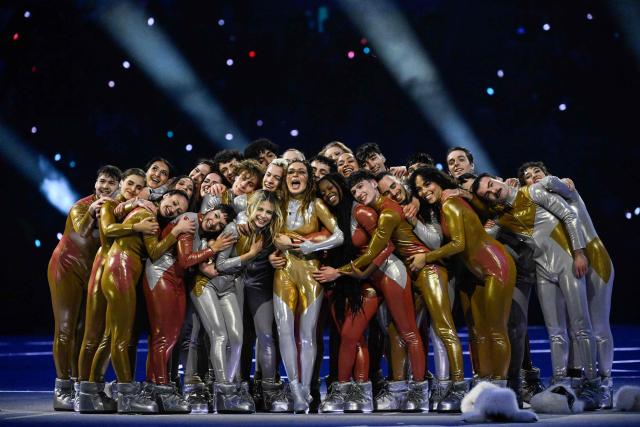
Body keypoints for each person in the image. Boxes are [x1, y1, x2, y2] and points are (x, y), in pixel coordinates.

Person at [328, 170, 465, 412]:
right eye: (354, 192)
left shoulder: (388, 212)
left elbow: (374, 251)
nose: (359, 194)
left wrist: (340, 272)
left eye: (362, 187)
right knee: (399, 332)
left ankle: (438, 388)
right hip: (408, 271)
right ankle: (404, 390)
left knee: (419, 332)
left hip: (418, 270)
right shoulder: (383, 208)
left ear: (373, 184)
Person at [473, 174, 603, 410]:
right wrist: (485, 224)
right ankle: (561, 383)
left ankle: (593, 383)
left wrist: (579, 252)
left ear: (498, 179)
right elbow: (480, 241)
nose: (492, 193)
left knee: (580, 325)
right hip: (543, 271)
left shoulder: (531, 193)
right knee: (555, 332)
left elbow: (569, 215)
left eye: (491, 185)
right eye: (486, 195)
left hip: (568, 262)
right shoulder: (501, 219)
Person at [519, 161, 615, 408]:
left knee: (598, 326)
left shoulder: (561, 186)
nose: (532, 178)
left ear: (547, 173)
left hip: (593, 258)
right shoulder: (539, 200)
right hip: (569, 259)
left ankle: (604, 385)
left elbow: (560, 187)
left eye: (536, 173)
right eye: (527, 177)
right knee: (574, 325)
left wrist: (559, 180)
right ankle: (573, 379)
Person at [408, 168, 516, 386]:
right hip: (478, 272)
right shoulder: (444, 204)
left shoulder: (450, 204)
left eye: (427, 185)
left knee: (496, 330)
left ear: (438, 181)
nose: (424, 192)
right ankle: (484, 383)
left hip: (496, 265)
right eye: (419, 189)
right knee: (480, 330)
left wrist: (425, 258)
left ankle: (500, 385)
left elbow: (459, 244)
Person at [100, 189, 194, 413]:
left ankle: (90, 390)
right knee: (121, 337)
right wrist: (177, 230)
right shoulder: (148, 216)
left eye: (179, 210)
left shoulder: (147, 211)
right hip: (121, 269)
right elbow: (154, 252)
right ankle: (126, 397)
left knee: (114, 335)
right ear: (163, 198)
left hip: (124, 270)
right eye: (172, 203)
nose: (174, 210)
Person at [76, 168, 156, 413]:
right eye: (129, 183)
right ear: (121, 183)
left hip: (116, 266)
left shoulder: (134, 205)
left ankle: (90, 393)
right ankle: (125, 396)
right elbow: (108, 231)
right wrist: (138, 227)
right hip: (114, 267)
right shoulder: (109, 205)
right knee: (107, 335)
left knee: (109, 336)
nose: (132, 189)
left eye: (138, 186)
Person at [314, 173, 393, 413]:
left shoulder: (361, 212)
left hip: (364, 285)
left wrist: (356, 273)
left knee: (349, 336)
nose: (329, 194)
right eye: (324, 192)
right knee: (355, 339)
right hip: (337, 288)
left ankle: (345, 388)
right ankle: (359, 394)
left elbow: (387, 246)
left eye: (331, 188)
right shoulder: (331, 218)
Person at [272, 160, 344, 413]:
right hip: (283, 270)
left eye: (301, 172)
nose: (295, 176)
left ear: (308, 179)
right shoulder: (277, 205)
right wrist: (274, 248)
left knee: (307, 333)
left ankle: (304, 386)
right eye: (291, 172)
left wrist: (312, 246)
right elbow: (266, 232)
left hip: (311, 271)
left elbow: (339, 235)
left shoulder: (317, 205)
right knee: (284, 330)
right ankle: (295, 390)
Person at [48, 165, 121, 410]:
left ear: (118, 187)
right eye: (102, 181)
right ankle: (62, 389)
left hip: (92, 269)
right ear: (95, 183)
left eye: (111, 183)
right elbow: (81, 229)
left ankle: (82, 385)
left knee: (85, 329)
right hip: (65, 266)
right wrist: (91, 212)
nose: (105, 187)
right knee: (65, 328)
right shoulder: (81, 206)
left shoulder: (116, 209)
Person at [218, 190, 290, 412]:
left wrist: (276, 256)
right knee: (239, 339)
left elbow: (286, 250)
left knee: (266, 336)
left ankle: (269, 392)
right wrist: (249, 255)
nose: (264, 215)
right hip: (235, 287)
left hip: (261, 287)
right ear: (250, 208)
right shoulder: (235, 228)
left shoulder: (274, 233)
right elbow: (221, 265)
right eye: (260, 209)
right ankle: (237, 389)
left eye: (269, 212)